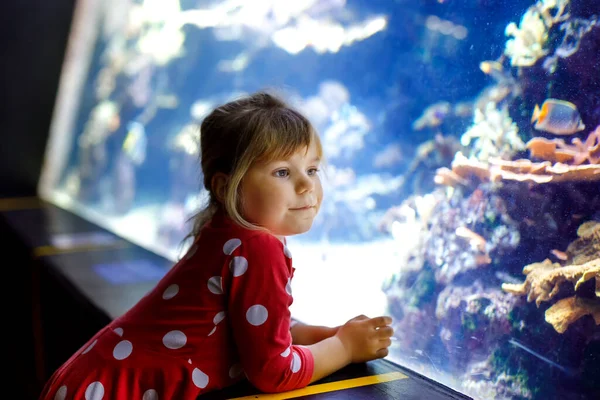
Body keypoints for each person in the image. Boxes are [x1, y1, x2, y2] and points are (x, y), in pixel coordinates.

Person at [40, 91, 394, 400]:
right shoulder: (256, 247)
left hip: (93, 382)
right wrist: (344, 347)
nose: (306, 186)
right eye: (283, 172)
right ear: (228, 187)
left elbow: (260, 332)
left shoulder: (226, 232)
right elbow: (274, 371)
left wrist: (331, 335)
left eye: (313, 170)